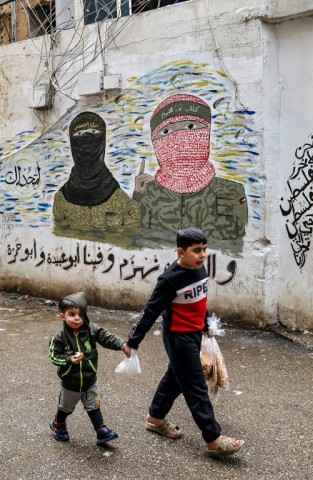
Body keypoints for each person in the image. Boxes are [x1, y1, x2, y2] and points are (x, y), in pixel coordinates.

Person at [122, 226, 245, 457]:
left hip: (195, 334)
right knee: (196, 386)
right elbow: (149, 311)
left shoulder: (200, 270)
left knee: (176, 379)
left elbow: (200, 300)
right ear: (180, 251)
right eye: (196, 250)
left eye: (205, 249)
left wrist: (208, 325)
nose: (202, 255)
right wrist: (133, 341)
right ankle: (214, 439)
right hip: (179, 338)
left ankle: (155, 418)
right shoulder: (169, 280)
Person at [133, 94, 248, 253]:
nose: (179, 137)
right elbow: (133, 240)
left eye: (191, 126)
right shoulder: (149, 193)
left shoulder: (231, 192)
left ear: (206, 133)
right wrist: (137, 196)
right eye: (166, 131)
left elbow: (239, 248)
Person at [48, 291, 129, 446]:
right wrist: (69, 359)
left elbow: (106, 337)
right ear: (63, 316)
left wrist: (121, 344)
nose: (77, 318)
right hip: (70, 382)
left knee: (93, 405)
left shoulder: (91, 329)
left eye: (80, 314)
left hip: (90, 378)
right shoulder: (59, 337)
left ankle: (101, 431)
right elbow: (53, 356)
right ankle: (58, 424)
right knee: (66, 407)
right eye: (72, 314)